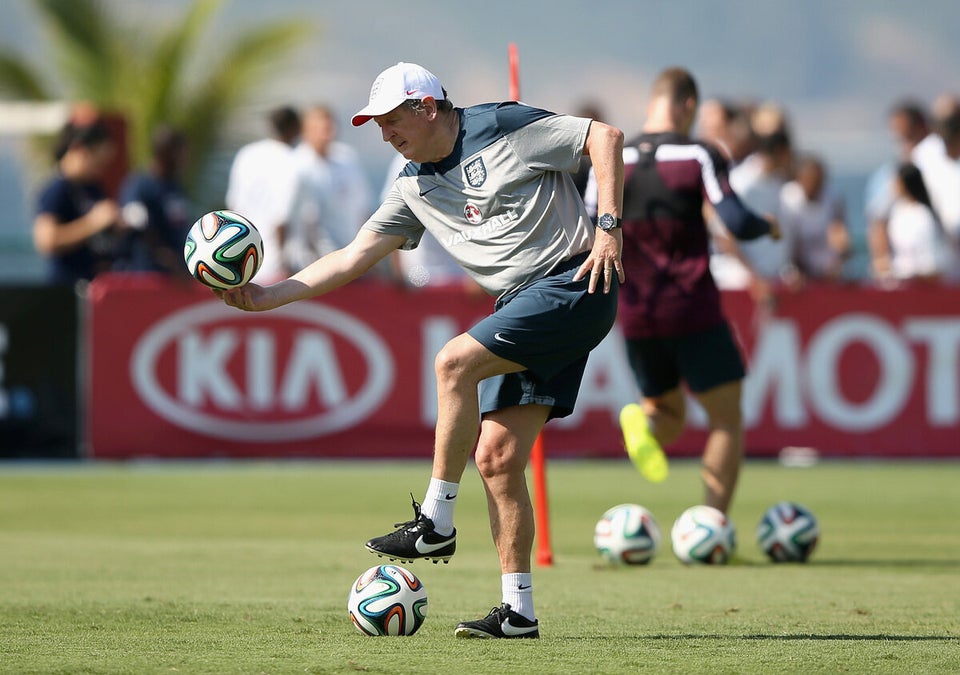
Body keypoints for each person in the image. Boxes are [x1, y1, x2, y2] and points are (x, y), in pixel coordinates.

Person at [217, 62, 625, 638]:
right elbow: (353, 256)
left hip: (573, 284)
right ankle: (519, 613)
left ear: (427, 108)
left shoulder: (505, 126)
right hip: (520, 304)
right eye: (376, 125)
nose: (384, 134)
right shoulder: (412, 181)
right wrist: (266, 298)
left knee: (452, 361)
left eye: (390, 121)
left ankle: (435, 520)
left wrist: (608, 227)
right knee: (497, 459)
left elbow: (603, 138)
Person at [586, 67, 778, 513]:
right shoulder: (698, 154)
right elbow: (736, 221)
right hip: (692, 308)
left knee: (666, 415)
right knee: (726, 418)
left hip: (634, 310)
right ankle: (712, 523)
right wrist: (769, 226)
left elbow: (587, 226)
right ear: (688, 105)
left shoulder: (614, 155)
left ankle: (643, 423)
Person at [33, 116, 125, 285]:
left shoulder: (93, 187)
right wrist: (92, 223)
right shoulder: (58, 189)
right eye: (98, 160)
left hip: (98, 285)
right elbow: (46, 240)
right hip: (67, 290)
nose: (101, 168)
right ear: (79, 150)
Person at [285, 104, 373, 272]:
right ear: (306, 130)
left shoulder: (347, 158)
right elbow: (297, 221)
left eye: (329, 126)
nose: (327, 133)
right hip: (310, 265)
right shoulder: (297, 166)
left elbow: (363, 210)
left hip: (351, 261)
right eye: (320, 128)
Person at [225, 105, 301, 283]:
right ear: (295, 129)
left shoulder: (246, 154)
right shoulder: (292, 161)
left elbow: (233, 206)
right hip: (274, 265)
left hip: (241, 259)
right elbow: (282, 217)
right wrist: (284, 263)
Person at [865, 100, 931, 281]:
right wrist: (883, 263)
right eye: (900, 139)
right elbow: (877, 222)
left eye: (909, 138)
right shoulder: (889, 177)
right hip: (904, 278)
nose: (905, 146)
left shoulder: (942, 169)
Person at [116, 125, 192, 275]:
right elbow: (134, 220)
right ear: (166, 153)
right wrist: (163, 255)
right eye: (181, 151)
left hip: (177, 278)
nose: (186, 157)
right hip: (146, 275)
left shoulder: (174, 186)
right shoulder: (140, 184)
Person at [779, 153, 851, 282]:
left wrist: (840, 257)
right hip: (797, 271)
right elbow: (785, 242)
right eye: (810, 180)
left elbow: (841, 238)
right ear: (799, 179)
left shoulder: (834, 198)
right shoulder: (787, 199)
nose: (814, 186)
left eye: (818, 181)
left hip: (827, 272)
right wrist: (793, 270)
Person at [885, 162, 947, 283]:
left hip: (918, 288)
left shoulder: (923, 216)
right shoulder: (897, 211)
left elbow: (932, 266)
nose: (892, 186)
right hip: (899, 283)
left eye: (895, 182)